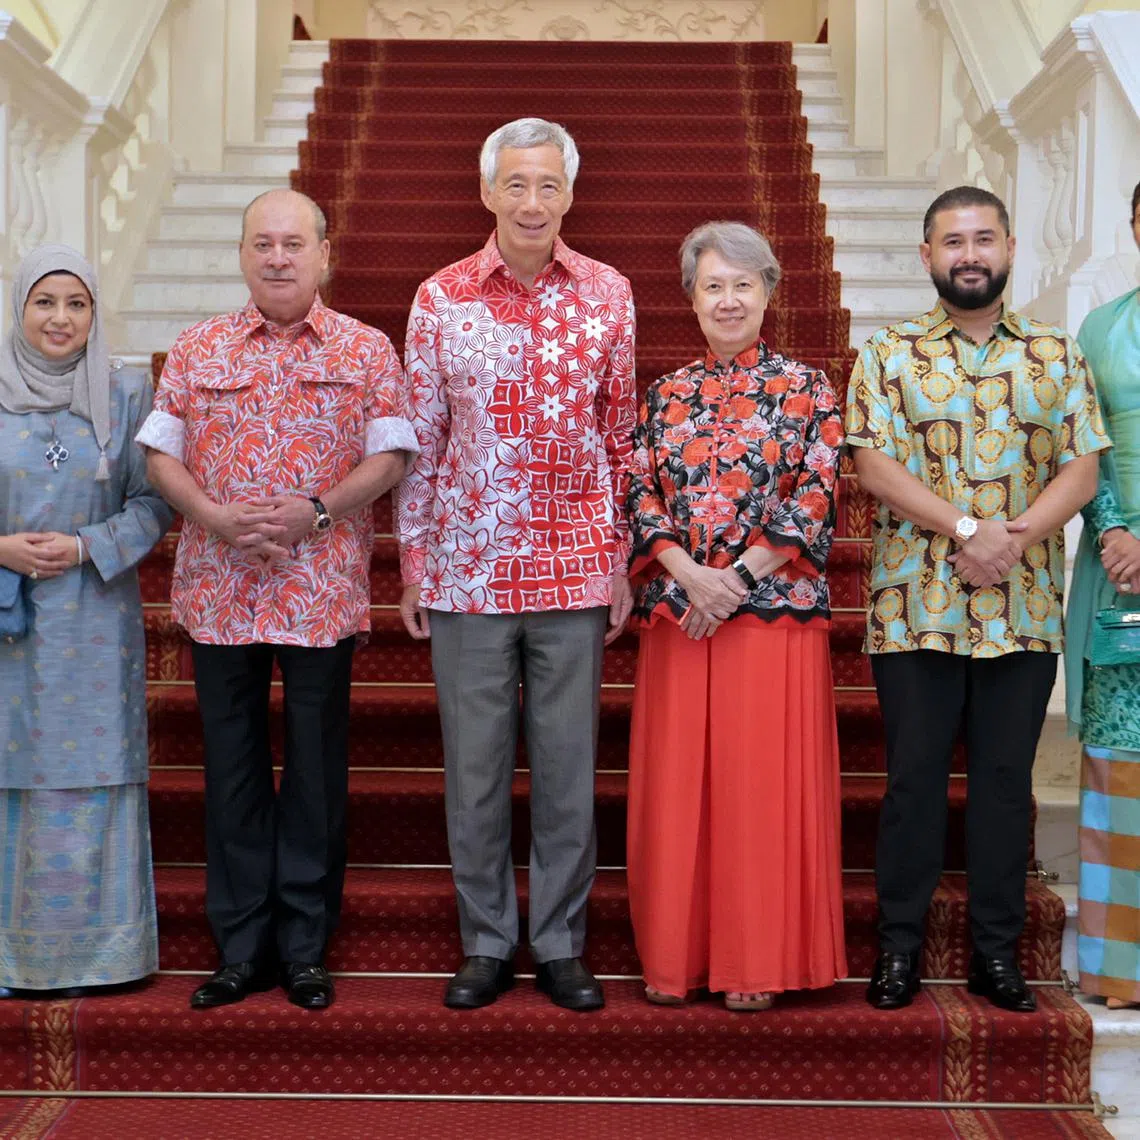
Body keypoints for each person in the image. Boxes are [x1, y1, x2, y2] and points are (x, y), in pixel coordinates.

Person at [137, 189, 417, 1011]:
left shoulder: (366, 350)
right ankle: (241, 947)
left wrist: (318, 511)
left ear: (326, 254)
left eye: (295, 243)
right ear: (242, 254)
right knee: (231, 772)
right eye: (263, 243)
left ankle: (303, 947)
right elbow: (160, 456)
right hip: (219, 591)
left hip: (317, 591)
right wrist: (212, 516)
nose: (278, 257)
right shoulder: (197, 348)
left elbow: (394, 453)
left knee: (315, 774)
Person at [845, 186, 1109, 1013]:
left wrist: (1016, 536)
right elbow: (871, 466)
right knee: (914, 784)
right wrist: (967, 527)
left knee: (1003, 784)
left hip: (1023, 607)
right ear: (926, 255)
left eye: (983, 238)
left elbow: (1084, 465)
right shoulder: (886, 352)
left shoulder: (1056, 353)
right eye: (952, 240)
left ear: (1009, 248)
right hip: (914, 605)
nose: (969, 253)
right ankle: (899, 950)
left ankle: (999, 956)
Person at [396, 118, 636, 1012]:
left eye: (548, 185)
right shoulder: (440, 296)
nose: (532, 201)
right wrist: (414, 561)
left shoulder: (609, 293)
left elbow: (620, 437)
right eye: (516, 184)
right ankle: (488, 941)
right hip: (466, 570)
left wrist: (617, 559)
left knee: (569, 767)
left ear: (569, 195)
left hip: (573, 569)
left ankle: (563, 943)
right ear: (488, 191)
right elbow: (421, 438)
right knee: (477, 770)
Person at [625, 221, 847, 1010]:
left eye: (743, 284)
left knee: (757, 793)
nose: (728, 299)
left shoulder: (810, 388)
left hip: (771, 615)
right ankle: (677, 959)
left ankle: (754, 960)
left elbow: (815, 494)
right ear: (690, 298)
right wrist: (689, 574)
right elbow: (640, 492)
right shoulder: (665, 394)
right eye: (712, 285)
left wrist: (739, 577)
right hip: (681, 614)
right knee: (682, 792)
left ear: (769, 294)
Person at [0, 244, 173, 997]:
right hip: (9, 620)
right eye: (45, 302)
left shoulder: (127, 392)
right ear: (20, 309)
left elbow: (155, 502)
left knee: (90, 774)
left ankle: (98, 957)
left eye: (77, 303)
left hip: (94, 618)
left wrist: (81, 546)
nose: (61, 318)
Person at [1064, 179, 1140, 1011]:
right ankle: (1120, 969)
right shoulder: (1101, 330)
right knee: (1121, 763)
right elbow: (1085, 444)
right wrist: (1117, 530)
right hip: (1121, 569)